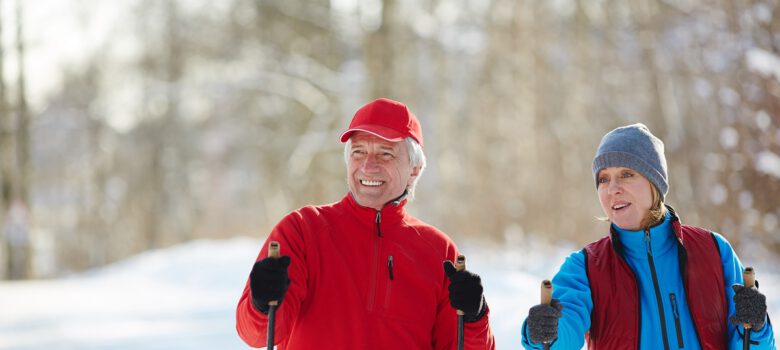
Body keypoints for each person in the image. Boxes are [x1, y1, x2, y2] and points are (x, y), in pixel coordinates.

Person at [237, 98, 495, 349]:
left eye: (386, 153)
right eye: (359, 152)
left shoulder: (440, 252)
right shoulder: (302, 231)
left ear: (414, 168)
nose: (368, 166)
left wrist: (474, 317)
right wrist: (260, 303)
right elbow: (255, 334)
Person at [521, 123, 775, 349]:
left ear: (655, 182)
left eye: (626, 174)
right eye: (603, 179)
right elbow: (560, 339)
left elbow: (750, 344)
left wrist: (757, 327)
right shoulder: (586, 267)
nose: (613, 189)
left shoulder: (713, 250)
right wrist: (542, 333)